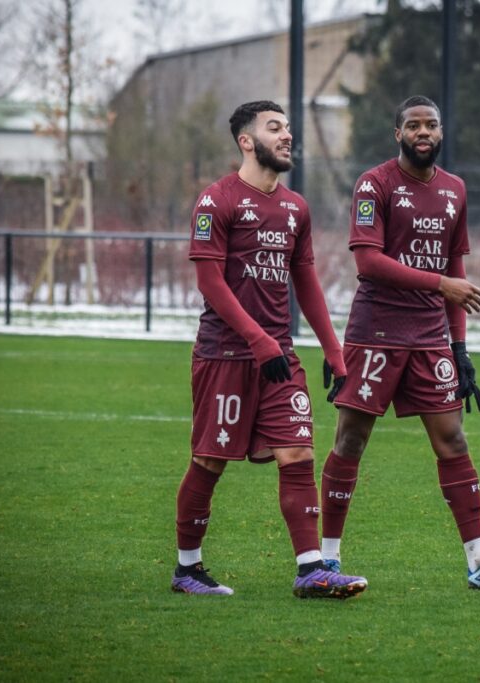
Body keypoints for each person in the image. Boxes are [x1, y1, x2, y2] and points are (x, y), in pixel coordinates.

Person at [318, 95, 480, 589]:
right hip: (375, 333)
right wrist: (441, 285)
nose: (423, 132)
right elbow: (368, 262)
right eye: (413, 125)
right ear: (397, 134)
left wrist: (459, 349)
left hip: (429, 336)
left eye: (431, 125)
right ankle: (326, 560)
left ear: (441, 132)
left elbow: (455, 266)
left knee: (453, 438)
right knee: (350, 440)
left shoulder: (455, 189)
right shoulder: (374, 184)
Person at [171, 100, 367, 599]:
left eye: (287, 128)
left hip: (279, 357)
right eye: (274, 128)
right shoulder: (216, 200)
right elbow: (210, 283)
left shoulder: (296, 207)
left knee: (297, 451)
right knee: (209, 462)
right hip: (224, 355)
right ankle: (187, 569)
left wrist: (334, 350)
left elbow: (306, 281)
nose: (286, 136)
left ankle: (311, 570)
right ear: (246, 141)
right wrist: (257, 340)